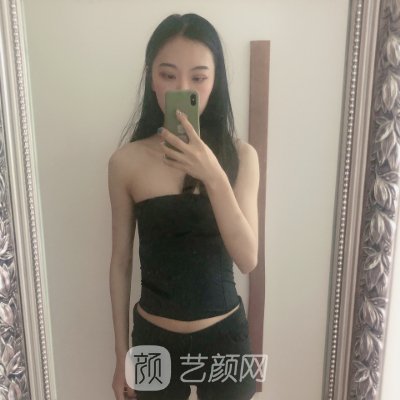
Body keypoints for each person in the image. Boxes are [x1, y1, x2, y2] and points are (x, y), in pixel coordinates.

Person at [109, 13, 260, 400]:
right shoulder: (126, 162)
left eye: (198, 77)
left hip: (226, 339)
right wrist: (121, 355)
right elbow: (121, 263)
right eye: (168, 74)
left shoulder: (241, 156)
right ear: (151, 78)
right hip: (152, 342)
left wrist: (213, 174)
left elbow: (247, 259)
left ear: (215, 81)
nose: (182, 88)